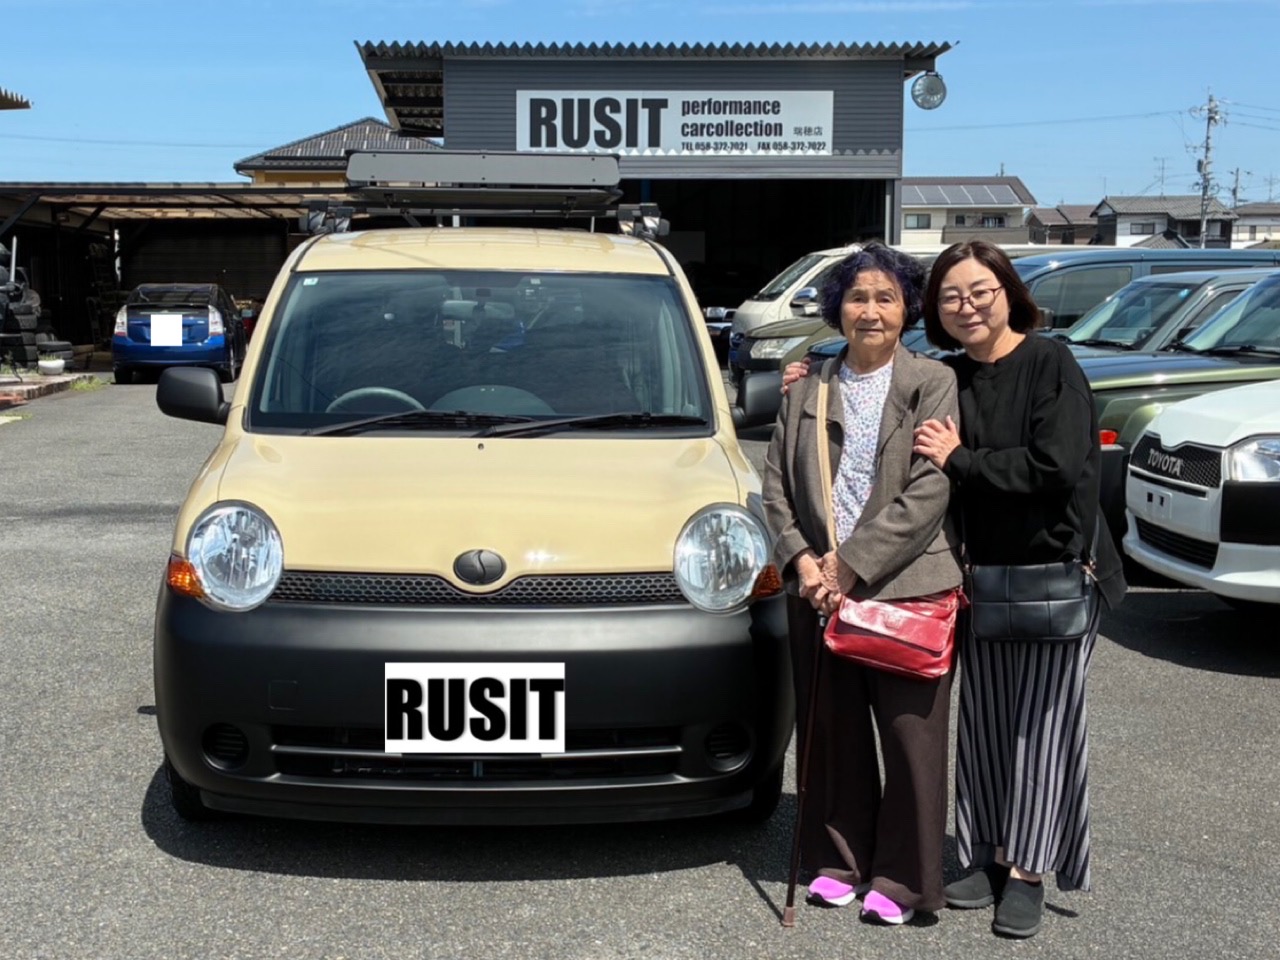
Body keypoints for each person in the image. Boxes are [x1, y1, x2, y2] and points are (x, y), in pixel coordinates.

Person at [782, 240, 1126, 939]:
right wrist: (805, 377)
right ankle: (982, 855)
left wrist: (960, 461)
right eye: (951, 297)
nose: (966, 306)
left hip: (1047, 575)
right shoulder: (950, 374)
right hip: (977, 579)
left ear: (1008, 292)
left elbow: (1053, 467)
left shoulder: (1045, 364)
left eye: (980, 291)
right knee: (984, 728)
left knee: (1036, 730)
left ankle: (1024, 870)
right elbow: (795, 466)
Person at [762, 242, 963, 926]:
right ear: (836, 308)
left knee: (911, 743)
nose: (870, 311)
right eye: (856, 297)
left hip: (905, 585)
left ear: (907, 309)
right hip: (816, 590)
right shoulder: (807, 384)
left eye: (885, 298)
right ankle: (839, 859)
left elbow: (930, 489)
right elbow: (775, 488)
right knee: (832, 734)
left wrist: (850, 564)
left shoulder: (932, 381)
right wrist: (803, 562)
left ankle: (904, 879)